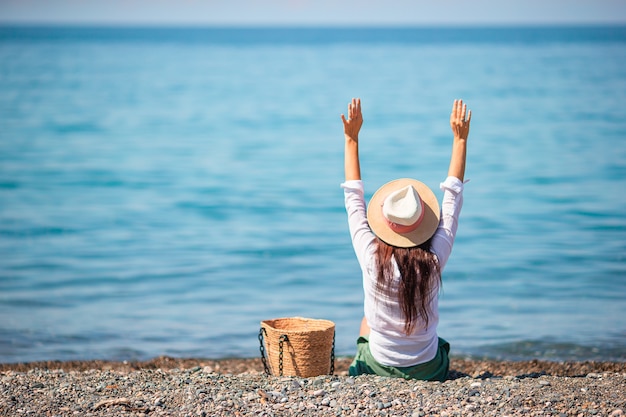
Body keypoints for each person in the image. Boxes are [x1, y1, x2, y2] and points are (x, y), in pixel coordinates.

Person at [340, 98, 471, 381]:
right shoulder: (434, 258)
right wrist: (460, 140)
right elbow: (452, 200)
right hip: (429, 368)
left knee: (366, 324)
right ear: (422, 222)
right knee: (434, 340)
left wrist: (351, 138)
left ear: (385, 222)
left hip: (379, 365)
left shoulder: (371, 255)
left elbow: (353, 199)